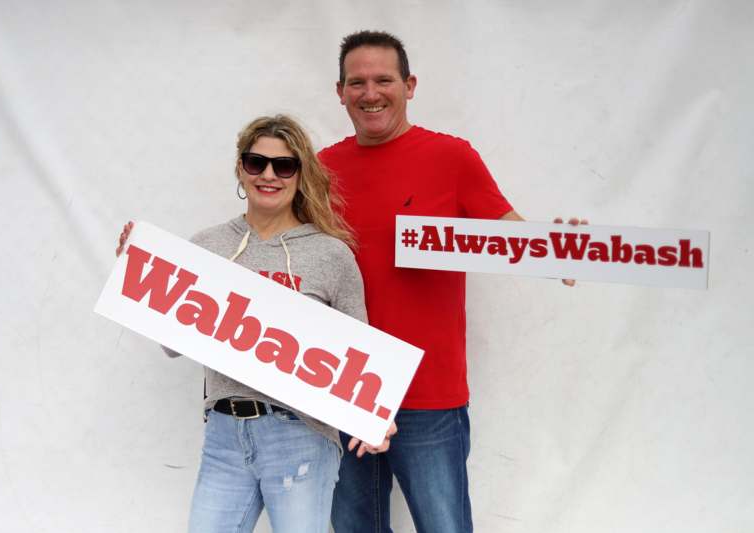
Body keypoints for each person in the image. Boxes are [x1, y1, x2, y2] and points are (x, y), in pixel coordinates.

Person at [319, 31, 584, 533]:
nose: (370, 93)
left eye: (383, 80)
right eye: (357, 82)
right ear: (340, 91)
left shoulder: (451, 157)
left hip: (428, 391)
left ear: (410, 85)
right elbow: (284, 249)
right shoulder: (323, 168)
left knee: (444, 526)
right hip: (344, 385)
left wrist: (563, 251)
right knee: (354, 527)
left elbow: (509, 230)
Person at [116, 115, 395, 533]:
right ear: (240, 169)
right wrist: (140, 273)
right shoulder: (209, 245)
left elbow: (360, 353)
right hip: (225, 435)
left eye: (284, 166)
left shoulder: (331, 255)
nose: (269, 175)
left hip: (299, 435)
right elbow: (171, 345)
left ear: (301, 174)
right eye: (256, 162)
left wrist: (376, 414)